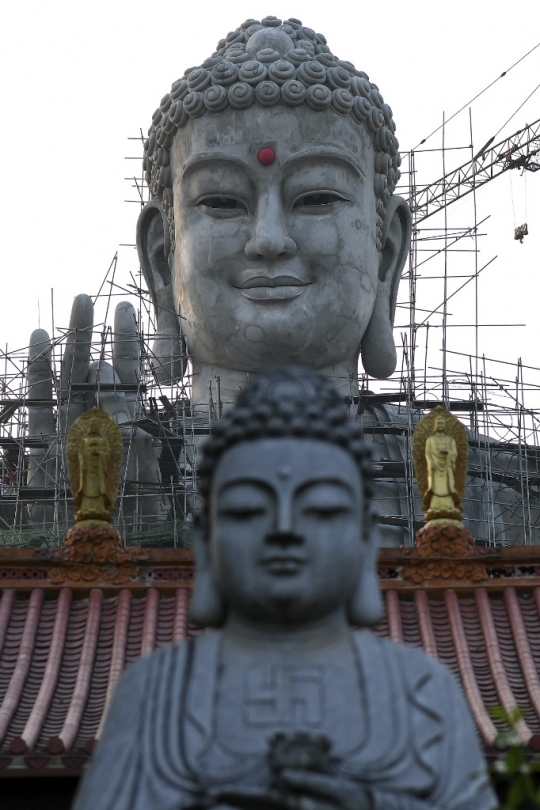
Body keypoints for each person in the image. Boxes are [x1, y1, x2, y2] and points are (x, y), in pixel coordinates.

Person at [25, 16, 538, 546]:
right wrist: (74, 545)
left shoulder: (495, 487)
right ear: (162, 260)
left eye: (316, 198)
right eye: (222, 201)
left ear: (386, 253)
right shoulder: (118, 463)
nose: (268, 238)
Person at [73, 367, 496, 810]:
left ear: (365, 540)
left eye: (321, 508)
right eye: (249, 509)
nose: (285, 529)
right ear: (205, 540)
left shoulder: (422, 693)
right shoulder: (156, 692)